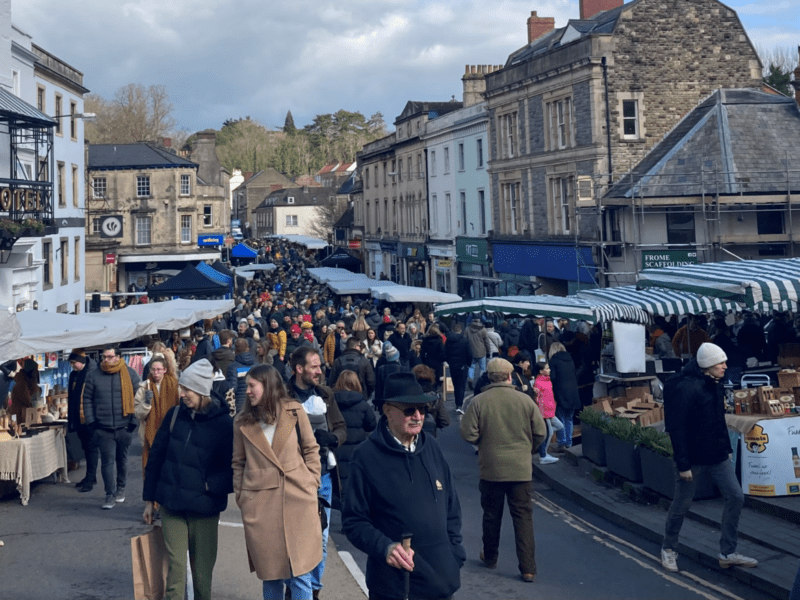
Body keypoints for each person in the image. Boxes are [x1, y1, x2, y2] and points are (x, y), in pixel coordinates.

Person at [342, 372, 465, 600]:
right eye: (409, 410)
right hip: (395, 587)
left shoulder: (433, 448)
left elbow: (452, 509)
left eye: (422, 409)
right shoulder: (366, 457)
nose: (418, 416)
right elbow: (354, 521)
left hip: (441, 584)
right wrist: (385, 548)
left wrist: (454, 555)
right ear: (388, 410)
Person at [661, 343, 757, 573]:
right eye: (720, 363)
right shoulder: (684, 387)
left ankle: (727, 552)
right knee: (682, 505)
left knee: (735, 496)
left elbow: (718, 419)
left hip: (717, 455)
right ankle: (668, 548)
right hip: (692, 459)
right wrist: (683, 464)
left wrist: (726, 448)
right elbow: (677, 427)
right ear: (707, 365)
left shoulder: (714, 383)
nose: (725, 366)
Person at [142, 359, 233, 600]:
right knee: (176, 568)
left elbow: (234, 468)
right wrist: (149, 500)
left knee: (202, 575)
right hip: (172, 505)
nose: (182, 394)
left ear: (202, 391)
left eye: (187, 390)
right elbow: (156, 458)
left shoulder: (224, 424)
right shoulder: (174, 416)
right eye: (182, 388)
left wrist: (209, 485)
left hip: (205, 507)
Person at [232, 364, 322, 600]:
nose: (248, 391)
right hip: (260, 506)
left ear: (268, 385)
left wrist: (312, 482)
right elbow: (238, 463)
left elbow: (311, 448)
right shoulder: (242, 421)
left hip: (298, 499)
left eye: (252, 385)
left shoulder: (294, 411)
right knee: (271, 576)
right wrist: (242, 498)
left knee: (300, 574)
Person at [460, 358, 546, 583]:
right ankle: (528, 568)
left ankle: (490, 557)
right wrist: (528, 450)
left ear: (489, 377)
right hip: (520, 469)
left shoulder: (479, 402)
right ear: (510, 376)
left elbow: (467, 433)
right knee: (523, 518)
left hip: (491, 469)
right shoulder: (525, 401)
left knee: (491, 515)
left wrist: (483, 444)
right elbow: (540, 432)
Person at [287, 346, 347, 599]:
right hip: (292, 478)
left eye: (319, 366)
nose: (320, 371)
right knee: (294, 539)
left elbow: (342, 427)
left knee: (320, 539)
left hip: (323, 477)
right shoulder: (282, 396)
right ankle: (294, 588)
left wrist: (332, 438)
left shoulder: (325, 395)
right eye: (314, 366)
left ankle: (312, 590)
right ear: (299, 369)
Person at [82, 346, 141, 510]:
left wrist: (133, 422)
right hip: (103, 427)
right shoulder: (94, 375)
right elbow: (86, 399)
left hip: (124, 427)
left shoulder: (130, 374)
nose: (105, 360)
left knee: (122, 460)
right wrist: (92, 422)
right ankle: (110, 493)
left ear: (118, 357)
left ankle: (121, 488)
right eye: (104, 357)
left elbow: (139, 398)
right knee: (107, 462)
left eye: (109, 357)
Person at [332, 371, 377, 496]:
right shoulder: (362, 404)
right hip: (357, 449)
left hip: (337, 448)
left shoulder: (331, 403)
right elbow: (371, 425)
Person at [134, 356, 180, 471]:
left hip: (170, 434)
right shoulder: (144, 388)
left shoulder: (175, 386)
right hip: (150, 435)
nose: (156, 372)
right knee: (152, 470)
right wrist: (146, 403)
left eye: (159, 369)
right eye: (153, 369)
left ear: (164, 369)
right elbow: (137, 413)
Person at [67, 351, 97, 492]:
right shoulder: (74, 375)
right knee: (86, 448)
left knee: (91, 449)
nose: (72, 366)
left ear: (82, 361)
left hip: (89, 419)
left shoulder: (91, 373)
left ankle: (90, 479)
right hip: (79, 418)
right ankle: (90, 476)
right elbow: (72, 398)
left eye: (74, 363)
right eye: (71, 363)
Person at [548, 342, 581, 452]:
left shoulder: (553, 361)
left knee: (561, 418)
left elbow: (552, 378)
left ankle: (561, 443)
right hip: (573, 393)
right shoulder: (570, 359)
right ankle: (569, 442)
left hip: (561, 393)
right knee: (569, 418)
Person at [532, 361, 563, 465]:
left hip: (550, 410)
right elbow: (538, 399)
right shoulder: (538, 382)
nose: (549, 370)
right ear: (541, 371)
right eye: (547, 368)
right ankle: (543, 455)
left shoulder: (547, 380)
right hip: (545, 411)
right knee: (549, 433)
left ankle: (543, 452)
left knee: (559, 427)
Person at [443, 322, 472, 414]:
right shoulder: (465, 341)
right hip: (462, 366)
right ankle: (459, 405)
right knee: (461, 386)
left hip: (452, 365)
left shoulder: (448, 341)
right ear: (460, 330)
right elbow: (469, 354)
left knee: (455, 385)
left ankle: (457, 403)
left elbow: (445, 353)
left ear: (452, 330)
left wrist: (449, 361)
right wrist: (468, 364)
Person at [226, 338, 257, 414]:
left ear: (235, 350)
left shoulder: (233, 367)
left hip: (240, 405)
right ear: (248, 348)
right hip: (256, 403)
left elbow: (233, 388)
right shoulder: (257, 366)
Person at [466, 315, 490, 388]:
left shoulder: (467, 329)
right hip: (481, 351)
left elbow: (464, 340)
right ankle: (481, 382)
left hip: (471, 351)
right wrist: (488, 351)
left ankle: (470, 378)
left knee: (471, 367)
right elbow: (487, 341)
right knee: (482, 368)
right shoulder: (483, 329)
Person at [420, 325, 446, 391]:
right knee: (437, 379)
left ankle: (430, 390)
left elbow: (422, 353)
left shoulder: (425, 340)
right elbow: (442, 352)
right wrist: (442, 360)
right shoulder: (439, 340)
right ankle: (436, 391)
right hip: (438, 362)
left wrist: (424, 361)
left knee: (429, 378)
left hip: (428, 361)